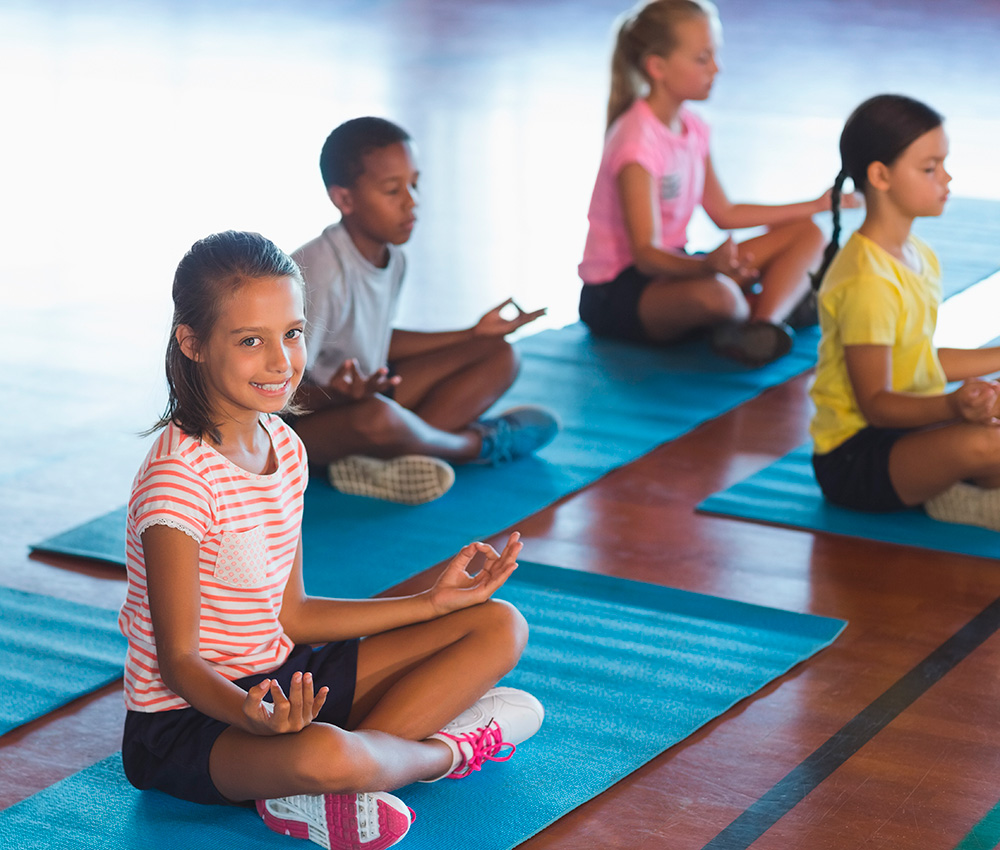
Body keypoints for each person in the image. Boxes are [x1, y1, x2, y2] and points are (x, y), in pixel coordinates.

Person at [119, 231, 545, 850]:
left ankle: (337, 780)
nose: (280, 361)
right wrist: (253, 718)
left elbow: (292, 613)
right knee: (323, 752)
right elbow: (181, 664)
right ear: (192, 343)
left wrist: (431, 604)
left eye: (291, 334)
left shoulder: (285, 448)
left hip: (286, 678)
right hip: (190, 722)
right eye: (249, 341)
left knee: (499, 625)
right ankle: (445, 750)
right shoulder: (176, 484)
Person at [291, 117, 559, 506]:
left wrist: (471, 335)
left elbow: (377, 340)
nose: (412, 201)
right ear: (344, 199)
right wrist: (339, 395)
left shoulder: (393, 258)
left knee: (499, 354)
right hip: (308, 423)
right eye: (392, 190)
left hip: (364, 395)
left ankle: (387, 459)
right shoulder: (319, 274)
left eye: (414, 184)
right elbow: (277, 393)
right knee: (378, 418)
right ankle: (475, 445)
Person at [578, 0, 854, 366]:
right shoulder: (636, 143)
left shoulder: (693, 127)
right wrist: (707, 267)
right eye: (702, 58)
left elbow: (724, 212)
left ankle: (762, 325)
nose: (716, 68)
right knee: (719, 297)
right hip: (619, 292)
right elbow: (645, 256)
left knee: (808, 234)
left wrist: (817, 205)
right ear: (657, 67)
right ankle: (767, 307)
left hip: (676, 268)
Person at [810, 94, 1000, 532]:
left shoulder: (917, 255)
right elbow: (877, 406)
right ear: (880, 175)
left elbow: (920, 358)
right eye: (930, 168)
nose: (947, 178)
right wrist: (954, 406)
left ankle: (953, 481)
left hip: (912, 434)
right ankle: (955, 496)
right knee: (987, 442)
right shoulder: (866, 279)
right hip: (858, 457)